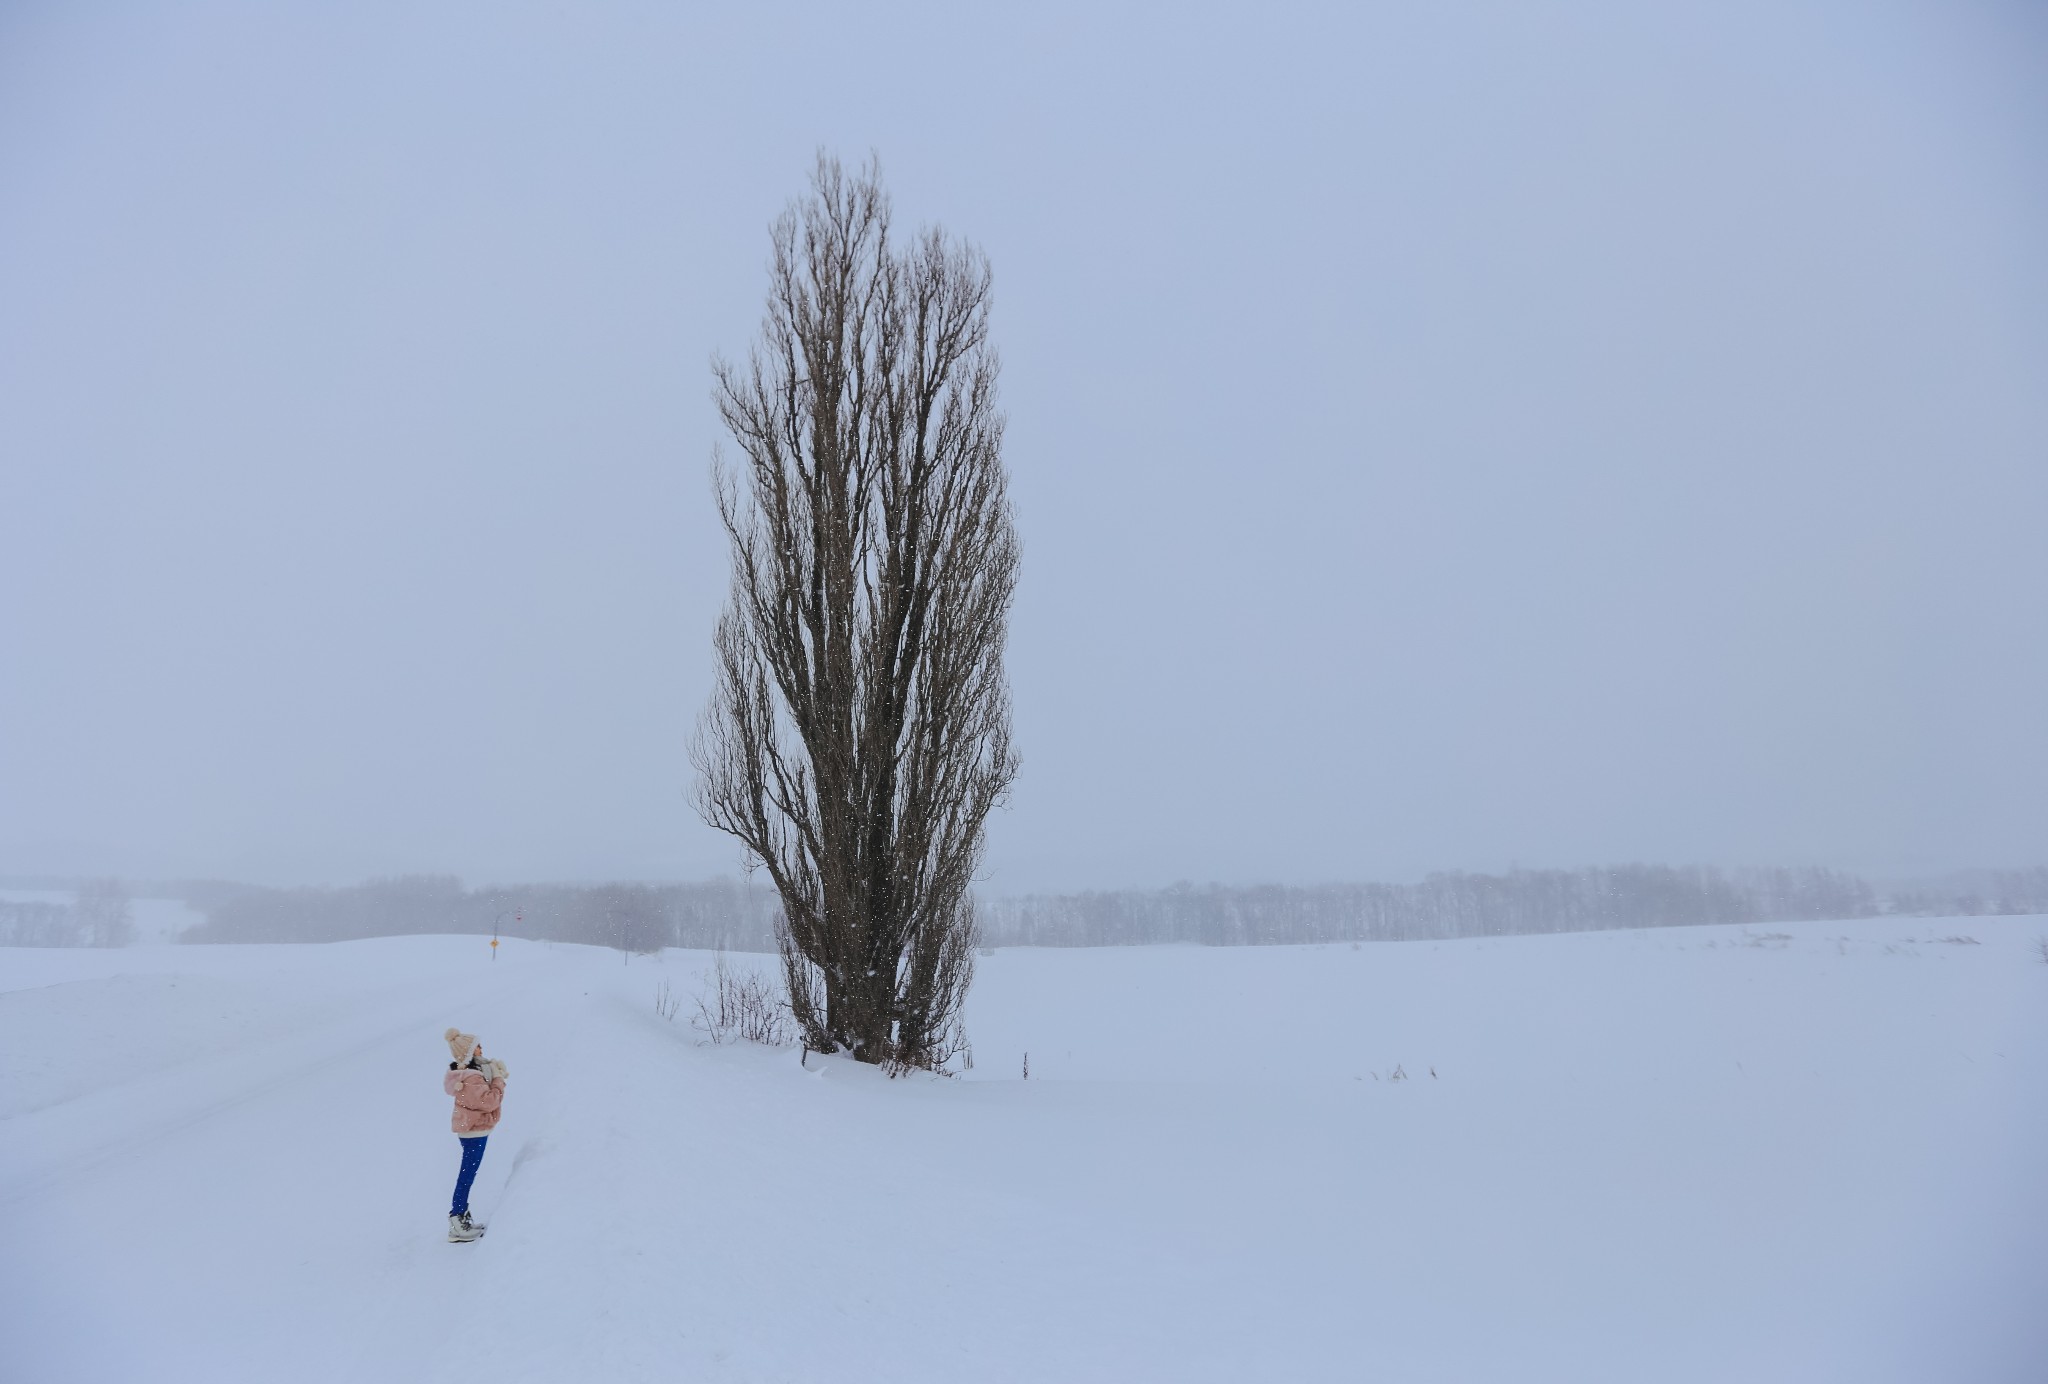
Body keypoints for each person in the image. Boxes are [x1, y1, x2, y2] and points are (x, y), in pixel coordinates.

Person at [442, 1027, 508, 1242]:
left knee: (468, 1174)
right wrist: (498, 1080)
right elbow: (489, 1102)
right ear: (469, 1053)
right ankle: (457, 1222)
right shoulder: (471, 1079)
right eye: (476, 1046)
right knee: (467, 1175)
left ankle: (462, 1218)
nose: (481, 1048)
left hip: (474, 1131)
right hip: (474, 1132)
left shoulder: (473, 1073)